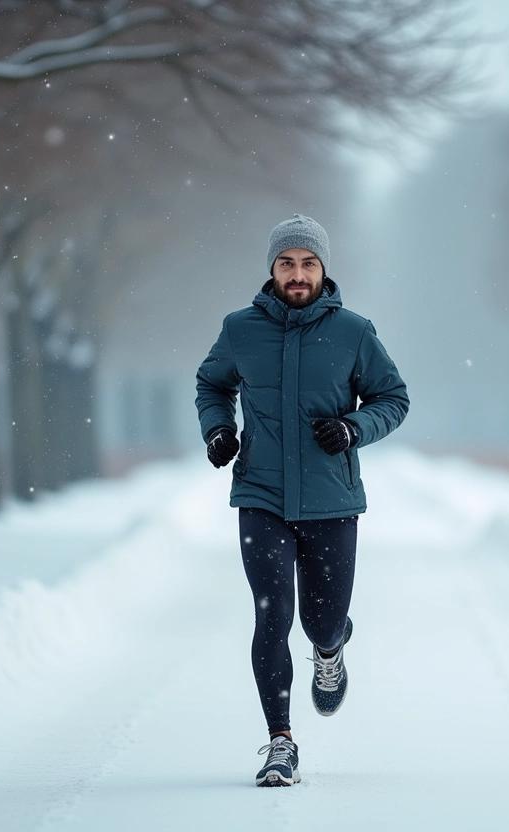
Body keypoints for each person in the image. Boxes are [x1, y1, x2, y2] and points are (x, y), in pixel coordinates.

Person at [194, 213, 409, 787]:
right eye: (287, 263)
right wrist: (218, 430)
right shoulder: (240, 329)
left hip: (331, 500)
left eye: (308, 263)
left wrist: (354, 428)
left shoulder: (354, 333)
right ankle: (280, 742)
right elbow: (212, 383)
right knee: (272, 615)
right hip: (261, 496)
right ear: (272, 268)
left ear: (323, 269)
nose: (297, 274)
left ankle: (331, 648)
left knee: (322, 620)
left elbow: (393, 398)